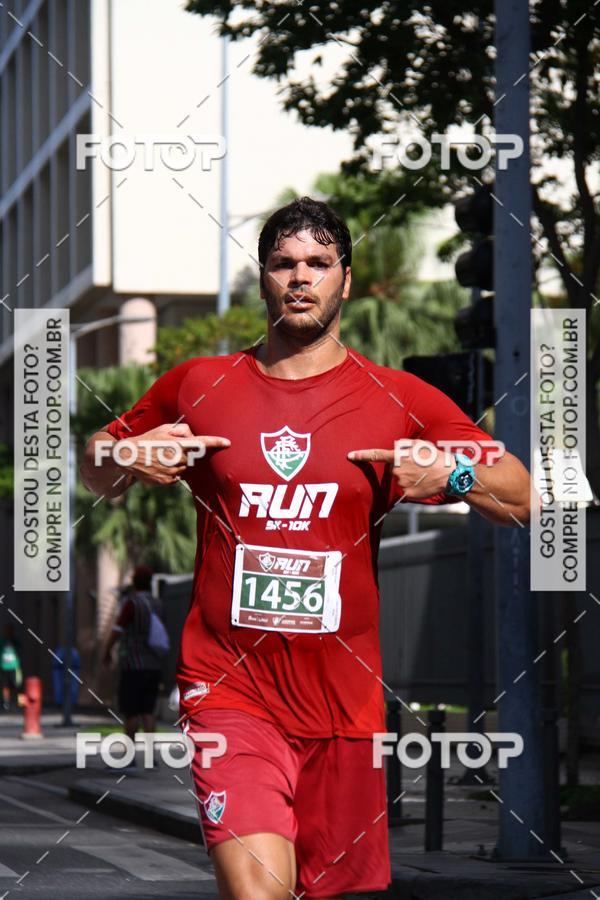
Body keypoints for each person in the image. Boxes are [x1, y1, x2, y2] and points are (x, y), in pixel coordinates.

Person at [82, 197, 531, 899]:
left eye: (318, 264)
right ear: (263, 279)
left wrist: (455, 471)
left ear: (344, 280)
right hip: (230, 691)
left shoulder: (398, 398)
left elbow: (522, 495)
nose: (300, 278)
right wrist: (127, 455)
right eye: (284, 264)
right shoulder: (200, 384)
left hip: (344, 708)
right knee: (258, 890)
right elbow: (95, 461)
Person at [103, 564, 163, 764]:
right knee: (148, 711)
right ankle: (150, 757)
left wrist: (107, 651)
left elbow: (117, 629)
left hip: (134, 665)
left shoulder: (132, 603)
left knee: (131, 711)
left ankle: (128, 758)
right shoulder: (157, 604)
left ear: (134, 581)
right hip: (154, 664)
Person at [0, 624, 22, 711]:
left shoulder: (15, 641)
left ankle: (20, 703)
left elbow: (20, 649)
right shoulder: (2, 640)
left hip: (14, 667)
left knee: (17, 685)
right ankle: (6, 703)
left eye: (10, 631)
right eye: (7, 631)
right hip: (4, 667)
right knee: (5, 686)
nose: (8, 633)